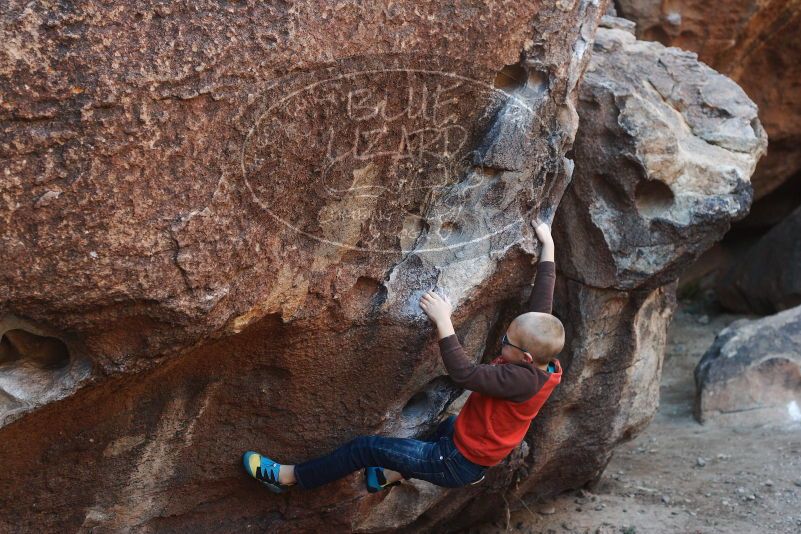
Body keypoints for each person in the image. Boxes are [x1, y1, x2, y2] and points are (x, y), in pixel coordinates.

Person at [242, 220, 565, 493]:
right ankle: (385, 476)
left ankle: (289, 477)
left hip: (453, 462)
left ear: (524, 357)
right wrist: (548, 245)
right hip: (468, 450)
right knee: (446, 424)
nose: (502, 342)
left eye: (507, 341)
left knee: (364, 448)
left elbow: (464, 374)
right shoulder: (540, 355)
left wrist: (443, 321)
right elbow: (541, 305)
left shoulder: (520, 380)